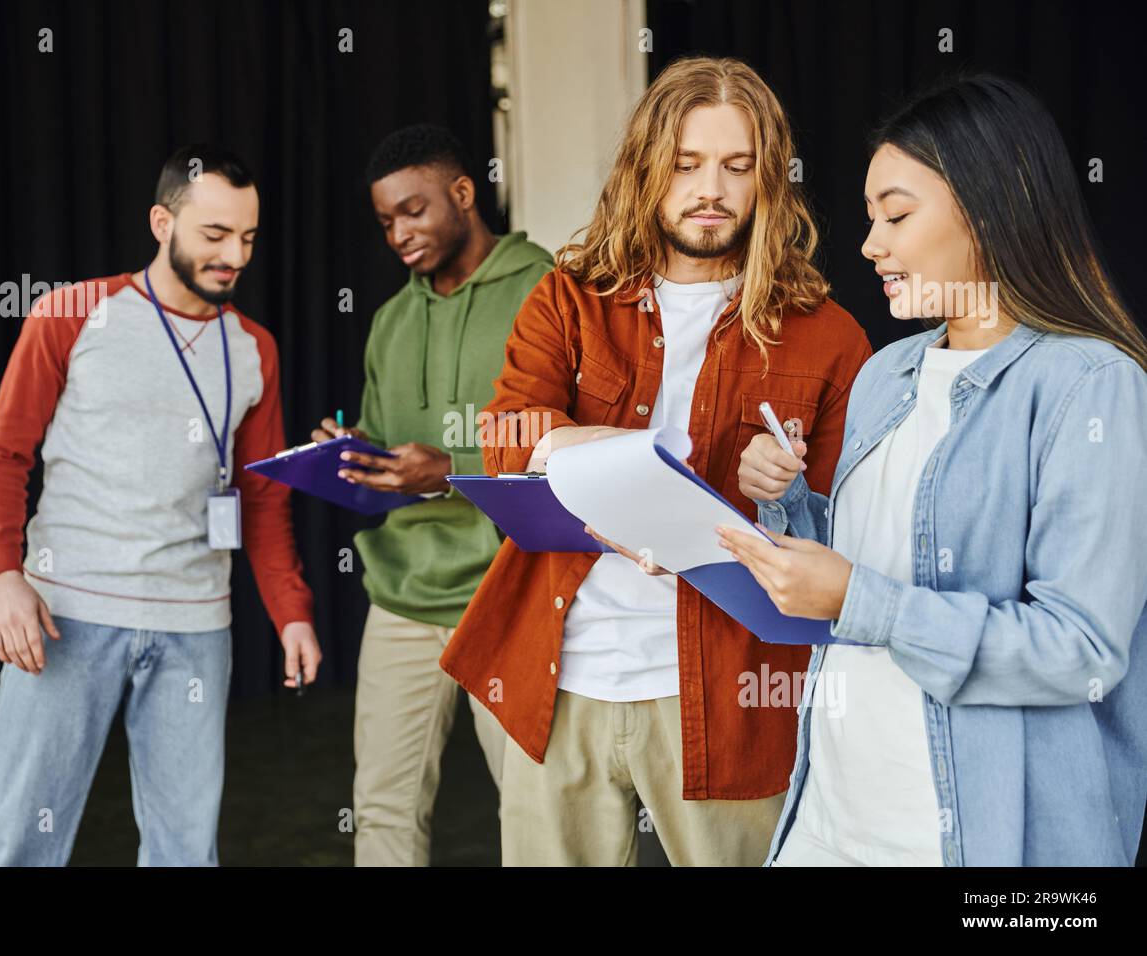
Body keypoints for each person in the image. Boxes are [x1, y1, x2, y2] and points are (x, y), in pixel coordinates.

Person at [439, 56, 872, 866]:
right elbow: (504, 433)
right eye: (686, 163)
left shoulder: (830, 336)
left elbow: (854, 535)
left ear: (768, 180)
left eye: (736, 167)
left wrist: (785, 494)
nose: (710, 187)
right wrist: (636, 456)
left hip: (734, 697)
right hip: (559, 683)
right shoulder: (568, 297)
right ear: (646, 168)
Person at [724, 74, 1147, 866]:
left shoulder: (1090, 385)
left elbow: (1081, 648)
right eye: (869, 218)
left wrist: (861, 600)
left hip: (969, 839)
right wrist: (788, 507)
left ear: (989, 209)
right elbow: (874, 564)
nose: (870, 244)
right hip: (832, 813)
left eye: (897, 215)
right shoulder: (890, 373)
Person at [0, 144, 320, 866]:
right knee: (16, 844)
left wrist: (291, 612)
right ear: (163, 222)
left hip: (196, 626)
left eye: (247, 238)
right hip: (65, 615)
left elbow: (262, 497)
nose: (234, 256)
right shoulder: (71, 312)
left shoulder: (255, 348)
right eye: (215, 234)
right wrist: (1, 575)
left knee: (186, 851)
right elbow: (0, 454)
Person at [310, 124, 554, 866]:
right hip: (403, 595)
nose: (399, 234)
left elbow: (566, 447)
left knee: (536, 809)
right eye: (386, 222)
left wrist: (447, 468)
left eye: (413, 211)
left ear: (462, 193)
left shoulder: (548, 291)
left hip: (508, 592)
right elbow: (390, 454)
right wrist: (350, 461)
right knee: (382, 804)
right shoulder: (389, 321)